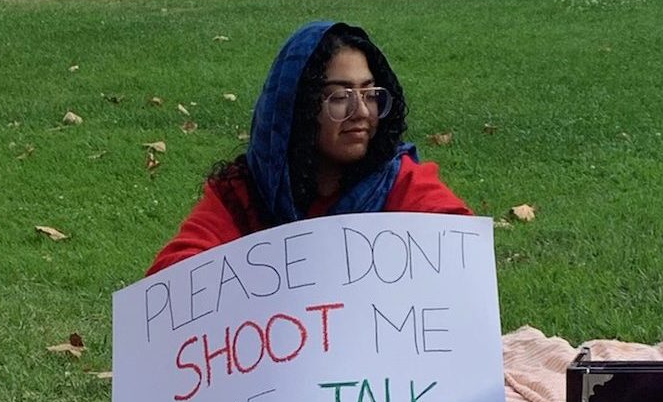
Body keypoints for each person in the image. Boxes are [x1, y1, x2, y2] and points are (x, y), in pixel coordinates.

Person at [150, 21, 469, 274]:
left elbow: (459, 247)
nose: (361, 112)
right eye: (340, 96)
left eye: (370, 93)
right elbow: (172, 282)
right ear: (297, 108)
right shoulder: (244, 194)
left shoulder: (395, 180)